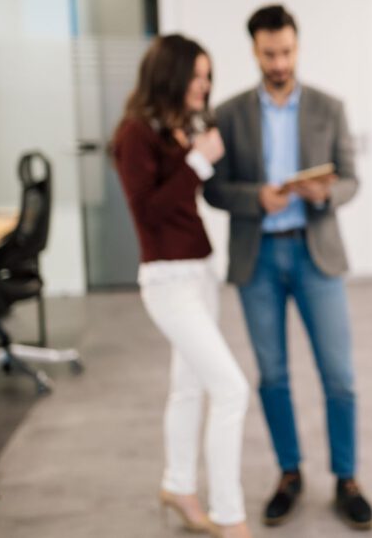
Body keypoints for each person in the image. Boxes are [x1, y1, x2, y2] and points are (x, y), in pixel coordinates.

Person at [204, 5, 372, 529]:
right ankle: (289, 474)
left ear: (297, 47)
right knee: (272, 376)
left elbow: (351, 178)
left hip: (314, 251)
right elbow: (211, 187)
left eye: (286, 51)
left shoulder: (328, 106)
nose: (279, 62)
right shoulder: (228, 114)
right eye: (269, 53)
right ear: (254, 51)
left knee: (340, 376)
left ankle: (346, 477)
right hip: (257, 258)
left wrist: (326, 193)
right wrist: (256, 197)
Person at [111, 34, 252, 538]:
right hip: (167, 279)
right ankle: (231, 517)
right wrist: (197, 162)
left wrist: (197, 154)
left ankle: (178, 485)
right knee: (232, 390)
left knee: (189, 387)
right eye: (196, 76)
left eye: (208, 76)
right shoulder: (134, 133)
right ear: (169, 76)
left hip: (198, 271)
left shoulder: (177, 128)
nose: (205, 85)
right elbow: (146, 209)